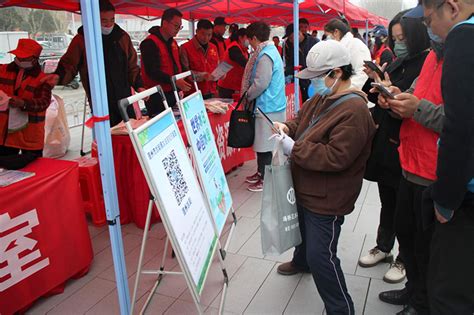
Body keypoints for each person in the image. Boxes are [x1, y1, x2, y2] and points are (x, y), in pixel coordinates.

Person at [274, 40, 376, 315]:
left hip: (327, 196)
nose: (313, 84)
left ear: (337, 73)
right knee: (303, 235)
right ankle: (301, 261)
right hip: (306, 187)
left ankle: (341, 308)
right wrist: (287, 127)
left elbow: (336, 157)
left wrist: (295, 148)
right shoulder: (322, 97)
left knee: (322, 255)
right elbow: (303, 122)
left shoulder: (354, 110)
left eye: (318, 78)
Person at [373, 5, 446, 313]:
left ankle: (423, 303)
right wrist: (393, 98)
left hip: (434, 170)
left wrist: (414, 107)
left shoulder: (460, 60)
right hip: (409, 163)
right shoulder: (432, 58)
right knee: (409, 236)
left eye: (429, 20)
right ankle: (412, 290)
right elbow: (415, 94)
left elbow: (456, 120)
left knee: (429, 248)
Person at [360, 9, 430, 285]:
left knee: (405, 207)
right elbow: (371, 93)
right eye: (394, 37)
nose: (398, 42)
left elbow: (412, 105)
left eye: (402, 37)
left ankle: (403, 257)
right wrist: (376, 78)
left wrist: (391, 94)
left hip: (406, 143)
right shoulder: (396, 59)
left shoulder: (425, 64)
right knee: (387, 198)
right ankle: (384, 245)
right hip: (385, 141)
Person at [418, 1, 474, 314]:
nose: (430, 30)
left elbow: (461, 126)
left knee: (450, 294)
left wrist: (446, 199)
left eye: (429, 21)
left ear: (451, 8)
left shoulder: (464, 38)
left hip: (466, 194)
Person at [44, 0, 144, 127]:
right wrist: (58, 76)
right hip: (99, 99)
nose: (108, 25)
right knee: (107, 134)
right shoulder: (82, 39)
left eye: (112, 20)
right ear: (94, 19)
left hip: (124, 97)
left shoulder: (122, 37)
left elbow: (132, 66)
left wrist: (139, 85)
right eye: (104, 21)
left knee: (128, 131)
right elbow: (70, 64)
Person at [241, 21, 286, 192]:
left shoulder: (265, 55)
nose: (249, 44)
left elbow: (261, 83)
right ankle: (261, 172)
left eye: (249, 40)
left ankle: (266, 178)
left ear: (254, 38)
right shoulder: (270, 50)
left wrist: (247, 95)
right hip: (270, 105)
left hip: (267, 107)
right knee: (262, 143)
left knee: (265, 145)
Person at [0, 39, 53, 157]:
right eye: (18, 56)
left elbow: (44, 102)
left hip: (30, 133)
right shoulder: (2, 71)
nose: (20, 60)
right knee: (5, 170)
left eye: (25, 58)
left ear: (34, 59)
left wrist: (23, 103)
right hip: (4, 133)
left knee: (34, 169)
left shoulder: (43, 79)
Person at [140, 8, 191, 116]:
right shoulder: (149, 43)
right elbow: (152, 71)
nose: (178, 29)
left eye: (180, 27)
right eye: (176, 26)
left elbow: (177, 65)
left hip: (173, 92)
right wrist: (174, 81)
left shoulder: (173, 43)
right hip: (156, 96)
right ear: (165, 23)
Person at [324, 18, 371, 89]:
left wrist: (345, 89)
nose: (328, 40)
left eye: (328, 36)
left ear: (336, 32)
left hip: (353, 92)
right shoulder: (339, 47)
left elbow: (362, 73)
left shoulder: (355, 45)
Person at [180, 19, 219, 99]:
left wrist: (221, 74)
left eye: (209, 35)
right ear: (196, 31)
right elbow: (185, 73)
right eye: (203, 34)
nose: (206, 38)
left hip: (211, 91)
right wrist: (202, 76)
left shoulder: (213, 47)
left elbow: (216, 66)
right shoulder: (185, 48)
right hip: (193, 93)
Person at [283, 23, 318, 102]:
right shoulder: (288, 44)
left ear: (298, 33)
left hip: (312, 81)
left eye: (292, 38)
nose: (291, 40)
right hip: (297, 81)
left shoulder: (313, 42)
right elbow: (289, 63)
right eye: (289, 38)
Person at [217, 28, 249, 98]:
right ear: (240, 37)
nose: (249, 40)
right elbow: (245, 63)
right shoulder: (234, 48)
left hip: (235, 86)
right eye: (247, 37)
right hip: (227, 87)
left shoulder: (244, 49)